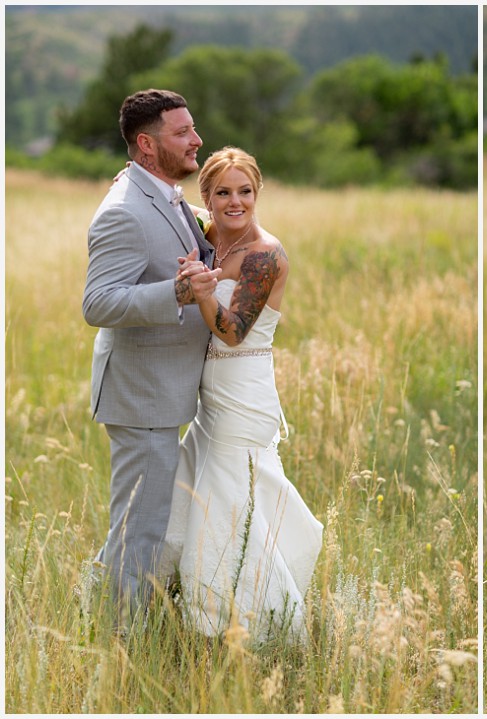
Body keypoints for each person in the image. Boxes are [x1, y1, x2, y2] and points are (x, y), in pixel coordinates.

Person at [160, 147, 323, 643]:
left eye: (246, 191)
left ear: (258, 193)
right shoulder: (210, 234)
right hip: (209, 397)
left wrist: (203, 289)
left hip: (244, 389)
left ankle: (240, 623)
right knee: (195, 490)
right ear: (207, 198)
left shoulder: (264, 255)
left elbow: (231, 332)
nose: (236, 202)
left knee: (228, 501)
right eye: (224, 192)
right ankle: (192, 601)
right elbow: (166, 203)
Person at [82, 89, 219, 632]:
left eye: (193, 128)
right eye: (182, 132)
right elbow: (98, 303)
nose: (196, 140)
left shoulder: (158, 191)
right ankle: (123, 644)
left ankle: (119, 622)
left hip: (163, 390)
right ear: (146, 144)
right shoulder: (124, 212)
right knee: (139, 529)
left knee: (147, 525)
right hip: (141, 396)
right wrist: (177, 293)